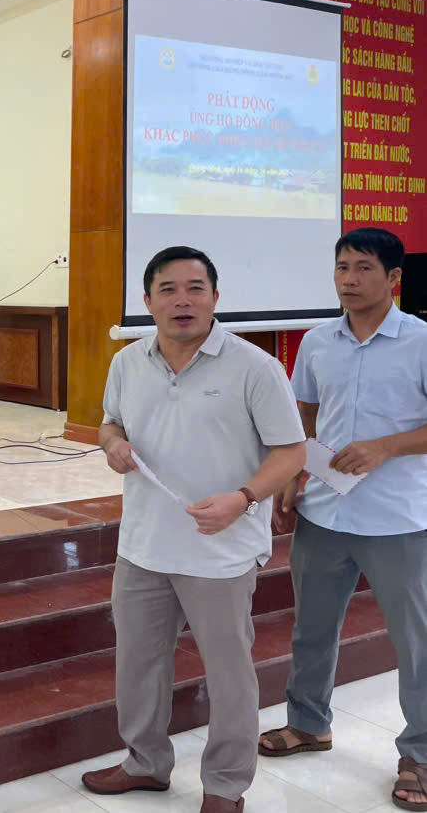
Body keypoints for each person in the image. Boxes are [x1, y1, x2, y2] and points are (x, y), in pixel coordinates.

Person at [84, 245, 306, 813]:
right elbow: (109, 424)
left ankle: (226, 785)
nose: (182, 300)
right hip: (143, 545)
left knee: (229, 674)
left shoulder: (253, 366)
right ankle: (145, 763)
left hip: (220, 550)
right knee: (138, 666)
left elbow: (291, 451)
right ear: (147, 300)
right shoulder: (127, 362)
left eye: (195, 288)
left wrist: (244, 498)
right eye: (168, 289)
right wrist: (112, 444)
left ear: (215, 297)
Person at [260, 228, 427, 811]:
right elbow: (304, 415)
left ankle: (421, 754)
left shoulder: (420, 341)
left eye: (363, 268)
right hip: (325, 510)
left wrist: (386, 447)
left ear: (393, 278)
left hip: (398, 518)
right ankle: (309, 723)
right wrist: (293, 470)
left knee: (416, 641)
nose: (349, 280)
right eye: (342, 268)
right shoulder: (316, 341)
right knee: (311, 628)